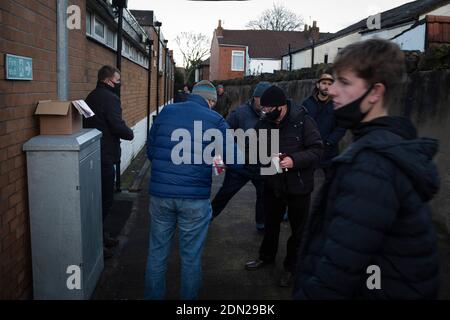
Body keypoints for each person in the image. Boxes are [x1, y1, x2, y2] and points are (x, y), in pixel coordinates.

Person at [293, 39, 440, 299]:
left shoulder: (371, 165)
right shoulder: (387, 145)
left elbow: (339, 270)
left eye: (345, 82)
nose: (333, 91)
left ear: (375, 93)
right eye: (333, 81)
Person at [145, 80, 242, 300]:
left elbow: (151, 151)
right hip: (194, 199)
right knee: (190, 258)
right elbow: (235, 159)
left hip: (160, 196)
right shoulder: (215, 119)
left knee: (157, 253)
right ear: (210, 101)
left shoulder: (166, 112)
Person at [245, 85, 323, 288]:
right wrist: (264, 158)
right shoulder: (263, 124)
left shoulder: (303, 121)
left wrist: (293, 160)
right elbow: (250, 150)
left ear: (281, 107)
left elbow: (316, 150)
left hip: (298, 185)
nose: (265, 113)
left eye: (269, 109)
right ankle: (266, 257)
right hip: (273, 183)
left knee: (298, 230)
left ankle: (291, 268)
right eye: (263, 109)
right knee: (271, 224)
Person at [83, 65, 134, 257]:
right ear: (107, 80)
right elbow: (116, 124)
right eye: (117, 81)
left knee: (97, 198)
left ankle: (101, 236)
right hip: (105, 154)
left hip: (92, 152)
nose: (119, 84)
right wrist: (129, 134)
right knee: (105, 199)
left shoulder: (91, 96)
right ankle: (97, 246)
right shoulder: (110, 98)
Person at [211, 81, 271, 232]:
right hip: (241, 165)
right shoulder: (240, 113)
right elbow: (224, 133)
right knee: (225, 193)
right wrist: (223, 156)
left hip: (262, 164)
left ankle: (261, 224)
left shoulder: (272, 113)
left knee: (264, 196)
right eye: (262, 99)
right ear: (254, 97)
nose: (265, 104)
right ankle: (208, 217)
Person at [302, 73, 346, 177]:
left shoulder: (337, 104)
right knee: (306, 182)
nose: (326, 86)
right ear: (318, 85)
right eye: (324, 83)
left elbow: (342, 125)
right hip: (311, 149)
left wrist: (330, 141)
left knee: (331, 182)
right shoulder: (307, 104)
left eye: (330, 84)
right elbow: (301, 124)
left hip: (330, 151)